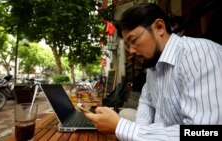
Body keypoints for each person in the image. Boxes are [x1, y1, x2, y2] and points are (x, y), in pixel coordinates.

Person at [84, 3, 222, 141]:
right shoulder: (153, 67)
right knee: (124, 115)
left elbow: (205, 132)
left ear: (159, 27)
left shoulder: (198, 54)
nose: (131, 51)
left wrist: (121, 127)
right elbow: (146, 104)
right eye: (128, 45)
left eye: (134, 40)